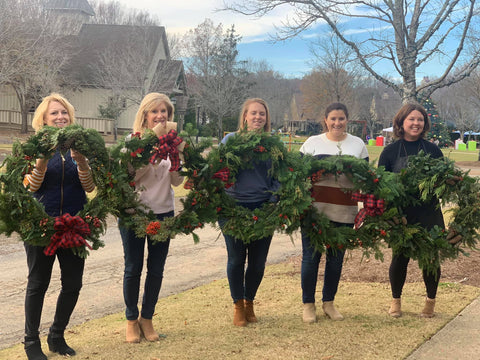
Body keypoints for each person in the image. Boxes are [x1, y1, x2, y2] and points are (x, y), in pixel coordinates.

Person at [23, 93, 95, 360]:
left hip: (74, 225)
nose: (60, 117)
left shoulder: (79, 146)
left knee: (73, 284)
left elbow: (89, 187)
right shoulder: (33, 146)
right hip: (42, 225)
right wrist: (41, 160)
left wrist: (83, 162)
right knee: (38, 283)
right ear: (43, 118)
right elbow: (31, 186)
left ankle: (57, 335)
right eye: (54, 113)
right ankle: (31, 342)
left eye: (64, 113)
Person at [119, 93, 183, 343]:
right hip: (135, 214)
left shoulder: (171, 143)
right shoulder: (132, 142)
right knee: (133, 268)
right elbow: (131, 176)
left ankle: (147, 318)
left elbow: (176, 180)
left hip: (163, 212)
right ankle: (131, 320)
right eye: (155, 112)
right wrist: (151, 148)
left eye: (164, 112)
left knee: (156, 270)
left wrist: (177, 157)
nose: (160, 116)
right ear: (145, 115)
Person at [299, 102, 369, 323]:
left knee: (336, 260)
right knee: (310, 259)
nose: (337, 123)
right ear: (325, 120)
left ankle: (329, 302)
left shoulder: (358, 145)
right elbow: (298, 177)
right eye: (333, 119)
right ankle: (308, 304)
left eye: (341, 119)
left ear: (347, 120)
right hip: (314, 211)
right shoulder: (312, 144)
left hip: (344, 212)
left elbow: (366, 179)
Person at [378, 103, 444, 318]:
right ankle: (396, 300)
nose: (416, 123)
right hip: (401, 214)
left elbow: (442, 182)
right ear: (401, 122)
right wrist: (389, 214)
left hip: (429, 212)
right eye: (411, 119)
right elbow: (381, 185)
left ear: (425, 124)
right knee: (400, 258)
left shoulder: (433, 150)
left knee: (430, 258)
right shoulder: (390, 152)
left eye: (420, 120)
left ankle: (430, 301)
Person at [219, 98, 280, 326]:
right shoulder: (230, 141)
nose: (257, 117)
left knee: (257, 262)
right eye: (253, 113)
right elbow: (219, 172)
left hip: (263, 209)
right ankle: (237, 305)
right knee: (236, 259)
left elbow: (280, 176)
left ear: (266, 118)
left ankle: (249, 301)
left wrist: (273, 200)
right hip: (233, 209)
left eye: (261, 114)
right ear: (244, 116)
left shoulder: (272, 145)